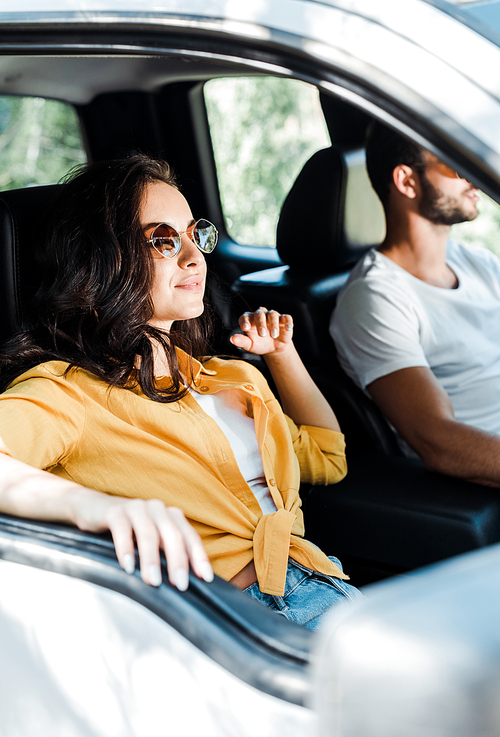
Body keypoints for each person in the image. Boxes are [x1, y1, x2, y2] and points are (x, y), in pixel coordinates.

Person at [0, 154, 360, 630]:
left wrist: (282, 356)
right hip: (240, 622)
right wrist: (96, 508)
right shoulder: (70, 395)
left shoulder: (236, 379)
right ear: (103, 259)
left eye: (195, 234)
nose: (194, 257)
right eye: (163, 240)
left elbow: (328, 457)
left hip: (325, 583)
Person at [330, 120, 500, 488]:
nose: (474, 177)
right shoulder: (375, 297)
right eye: (457, 166)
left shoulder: (481, 263)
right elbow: (438, 440)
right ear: (407, 181)